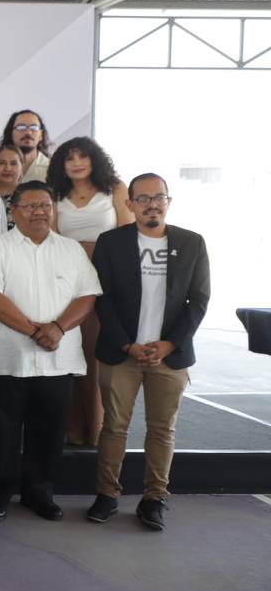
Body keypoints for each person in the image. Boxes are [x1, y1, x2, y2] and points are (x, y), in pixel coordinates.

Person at [0, 181, 100, 522]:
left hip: (58, 360)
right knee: (2, 433)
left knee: (50, 433)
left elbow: (87, 296)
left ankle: (39, 493)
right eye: (30, 206)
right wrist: (35, 330)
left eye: (45, 205)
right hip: (4, 361)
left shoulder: (71, 249)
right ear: (13, 211)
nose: (39, 211)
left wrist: (57, 329)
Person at [86, 174, 209, 531]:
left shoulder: (191, 243)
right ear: (130, 204)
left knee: (162, 430)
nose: (152, 204)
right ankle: (107, 494)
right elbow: (101, 297)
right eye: (143, 198)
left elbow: (198, 301)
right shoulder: (111, 242)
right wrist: (127, 343)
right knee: (114, 428)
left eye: (159, 197)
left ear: (169, 201)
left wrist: (170, 343)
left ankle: (154, 499)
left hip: (169, 355)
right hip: (121, 352)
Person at [50, 136, 134, 447]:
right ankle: (74, 428)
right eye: (69, 158)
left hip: (109, 281)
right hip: (70, 283)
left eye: (82, 157)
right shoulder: (56, 195)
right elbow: (54, 241)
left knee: (101, 355)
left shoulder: (116, 188)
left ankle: (101, 430)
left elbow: (128, 236)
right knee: (72, 353)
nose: (76, 163)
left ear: (94, 160)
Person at [0, 109, 50, 187]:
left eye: (34, 127)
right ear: (11, 134)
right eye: (21, 127)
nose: (28, 132)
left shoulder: (52, 169)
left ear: (41, 135)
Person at [0, 144, 25, 226]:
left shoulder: (31, 196)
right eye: (1, 163)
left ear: (22, 168)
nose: (7, 168)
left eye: (13, 163)